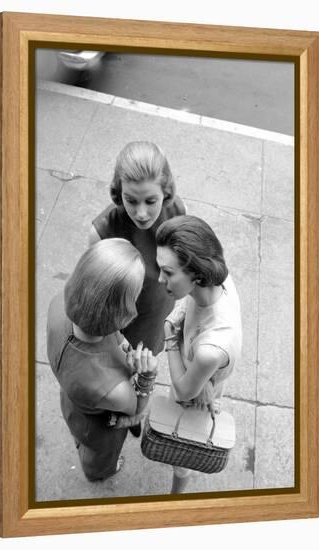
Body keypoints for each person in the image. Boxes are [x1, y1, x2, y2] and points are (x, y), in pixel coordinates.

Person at [47, 238, 158, 482]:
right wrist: (147, 376)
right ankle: (101, 472)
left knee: (79, 434)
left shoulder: (58, 304)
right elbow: (136, 408)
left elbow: (105, 327)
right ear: (122, 311)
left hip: (72, 399)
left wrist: (121, 343)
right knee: (98, 457)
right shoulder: (113, 389)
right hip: (97, 428)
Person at [155, 215, 242, 493]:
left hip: (196, 392)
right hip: (202, 378)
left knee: (183, 451)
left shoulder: (210, 348)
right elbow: (189, 304)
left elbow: (182, 391)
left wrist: (170, 337)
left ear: (197, 275)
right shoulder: (220, 279)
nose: (159, 279)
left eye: (168, 273)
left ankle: (175, 500)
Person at [89, 141, 186, 355]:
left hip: (159, 321)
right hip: (120, 338)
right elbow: (97, 302)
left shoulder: (178, 211)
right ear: (118, 192)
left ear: (166, 193)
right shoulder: (103, 232)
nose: (141, 213)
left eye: (151, 201)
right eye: (131, 200)